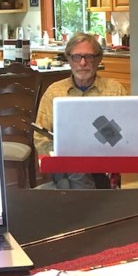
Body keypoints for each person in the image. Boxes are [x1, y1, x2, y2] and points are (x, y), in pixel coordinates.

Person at [33, 32, 127, 189]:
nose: (82, 63)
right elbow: (40, 138)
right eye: (77, 57)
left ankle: (77, 199)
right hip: (65, 164)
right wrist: (61, 153)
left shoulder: (115, 90)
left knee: (70, 181)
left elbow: (127, 134)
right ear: (69, 60)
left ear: (98, 60)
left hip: (102, 164)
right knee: (75, 167)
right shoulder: (54, 92)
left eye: (89, 57)